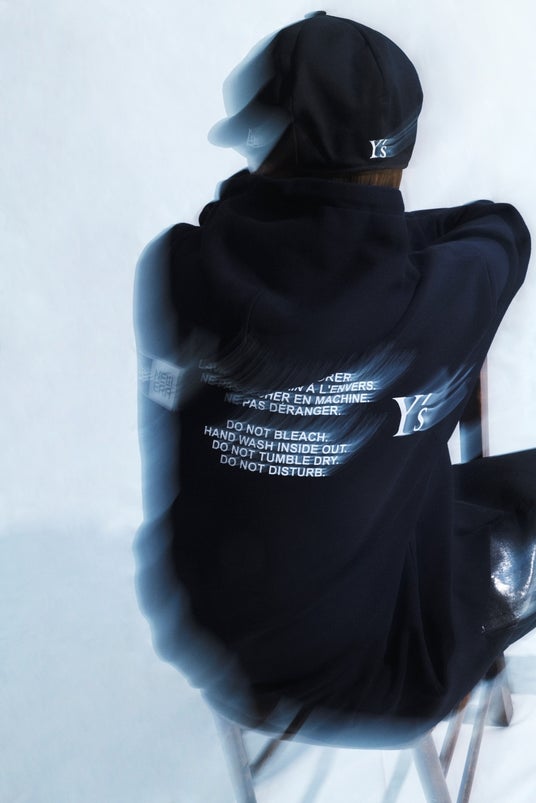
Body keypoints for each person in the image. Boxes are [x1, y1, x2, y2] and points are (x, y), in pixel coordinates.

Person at [133, 12, 534, 747]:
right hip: (378, 671)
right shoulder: (439, 299)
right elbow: (500, 228)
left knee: (398, 481)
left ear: (265, 144)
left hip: (211, 632)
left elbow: (299, 300)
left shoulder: (175, 272)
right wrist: (371, 225)